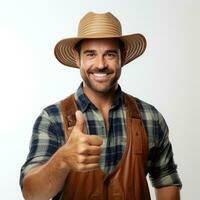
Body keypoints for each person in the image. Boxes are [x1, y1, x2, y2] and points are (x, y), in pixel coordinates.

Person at [20, 12, 182, 200]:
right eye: (90, 54)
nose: (100, 64)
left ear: (123, 56)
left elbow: (166, 181)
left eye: (110, 54)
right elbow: (31, 194)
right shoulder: (52, 118)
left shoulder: (150, 117)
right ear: (76, 58)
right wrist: (63, 159)